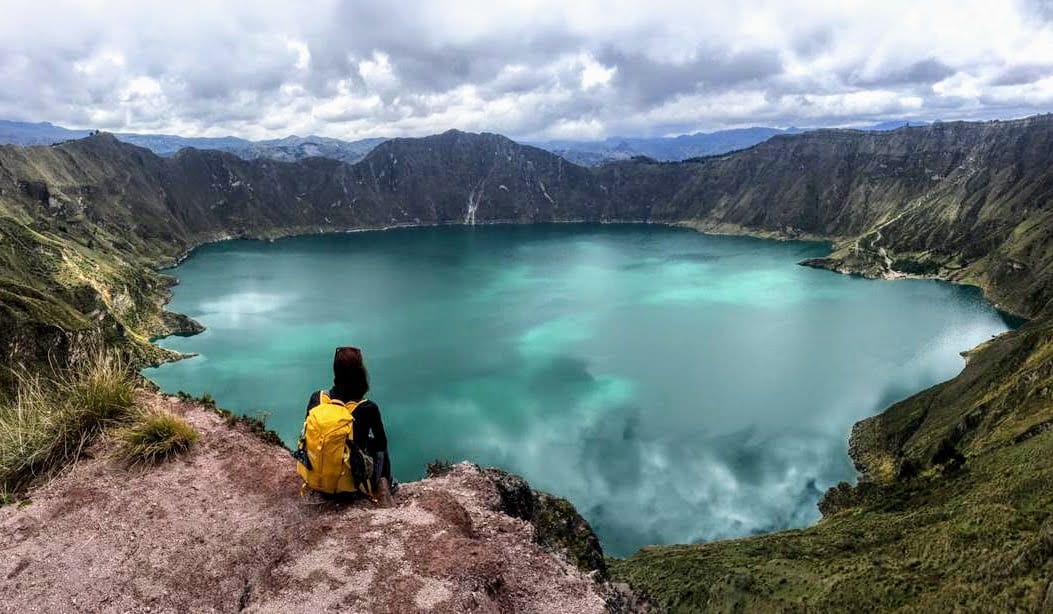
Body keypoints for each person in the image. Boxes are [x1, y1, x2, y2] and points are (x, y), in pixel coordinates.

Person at [302, 346, 396, 505]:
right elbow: (382, 444)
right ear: (360, 373)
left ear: (335, 371)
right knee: (379, 446)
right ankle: (383, 485)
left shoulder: (317, 398)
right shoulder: (368, 408)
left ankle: (320, 477)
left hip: (316, 482)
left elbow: (305, 436)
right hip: (350, 489)